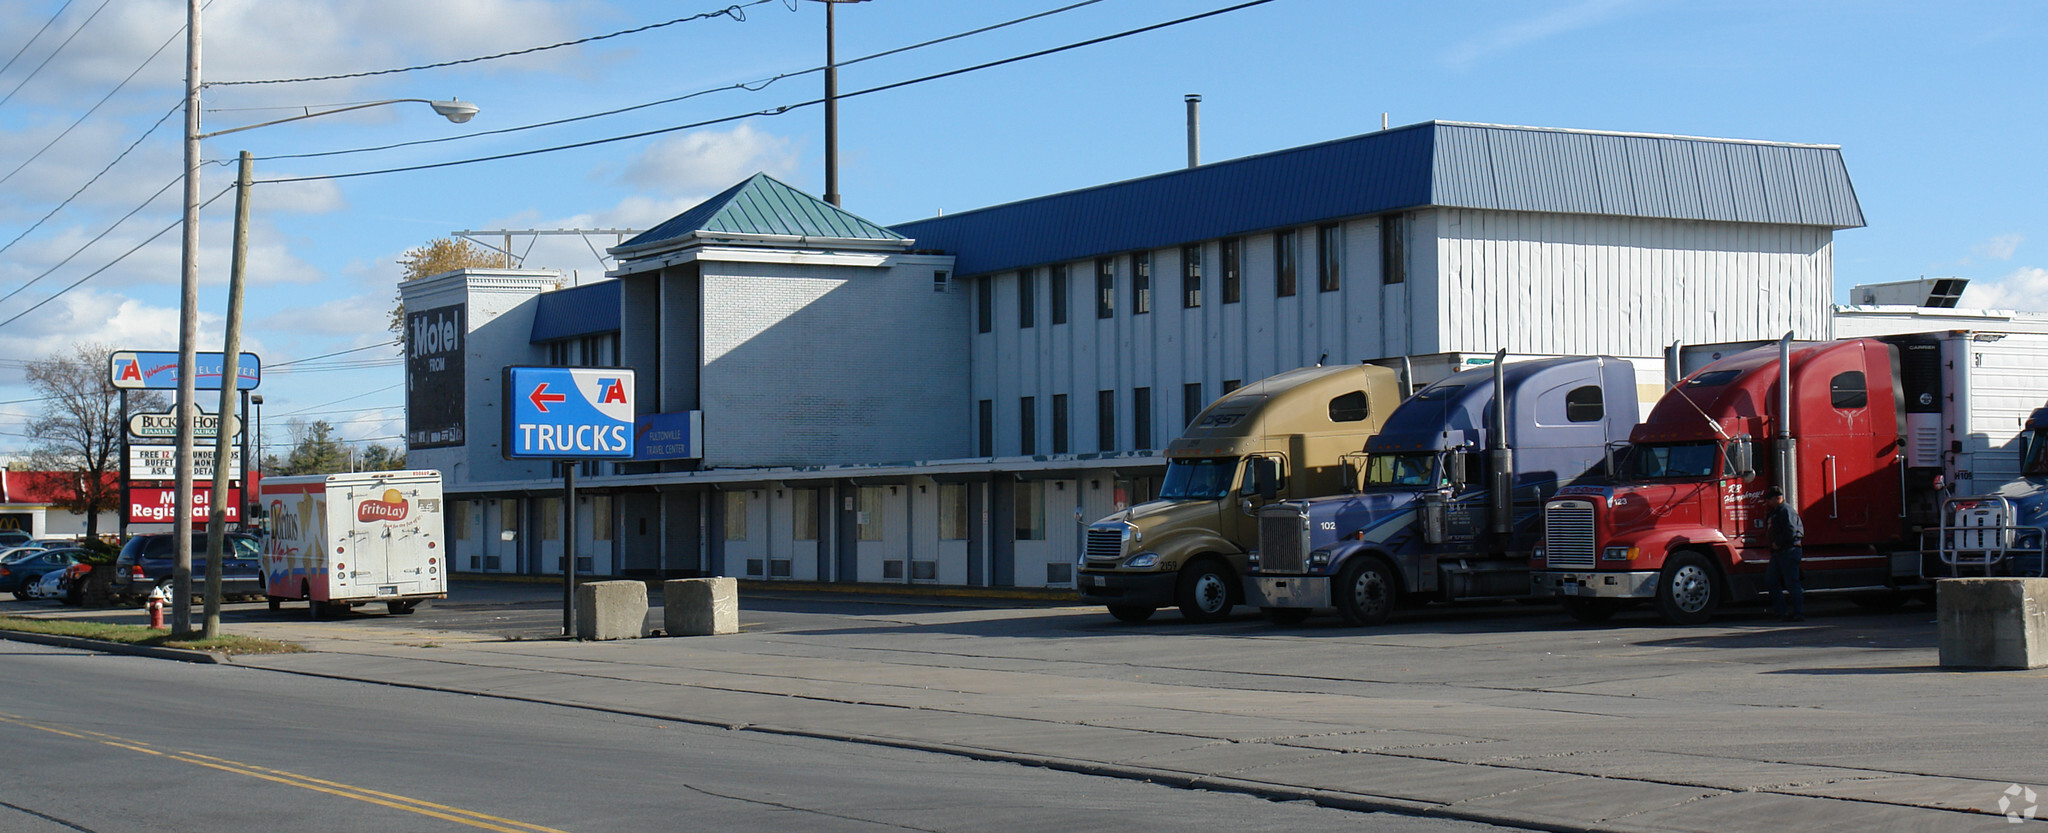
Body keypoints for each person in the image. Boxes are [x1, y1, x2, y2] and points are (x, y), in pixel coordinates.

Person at [1762, 486, 1805, 622]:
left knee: (1792, 582)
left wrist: (1778, 543)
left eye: (1770, 499)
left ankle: (1798, 613)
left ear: (1777, 498)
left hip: (1789, 551)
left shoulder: (1786, 511)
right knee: (1771, 581)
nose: (1768, 502)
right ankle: (1781, 611)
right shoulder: (1776, 511)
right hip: (1779, 552)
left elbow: (1791, 531)